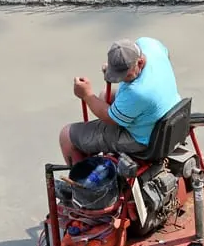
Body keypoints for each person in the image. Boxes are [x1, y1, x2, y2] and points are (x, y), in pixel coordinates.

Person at [59, 37, 181, 165]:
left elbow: (109, 118)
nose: (122, 79)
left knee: (66, 135)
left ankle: (81, 180)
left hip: (146, 140)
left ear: (140, 62)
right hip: (169, 117)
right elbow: (167, 56)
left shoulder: (138, 91)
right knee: (104, 95)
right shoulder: (149, 44)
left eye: (126, 75)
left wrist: (86, 95)